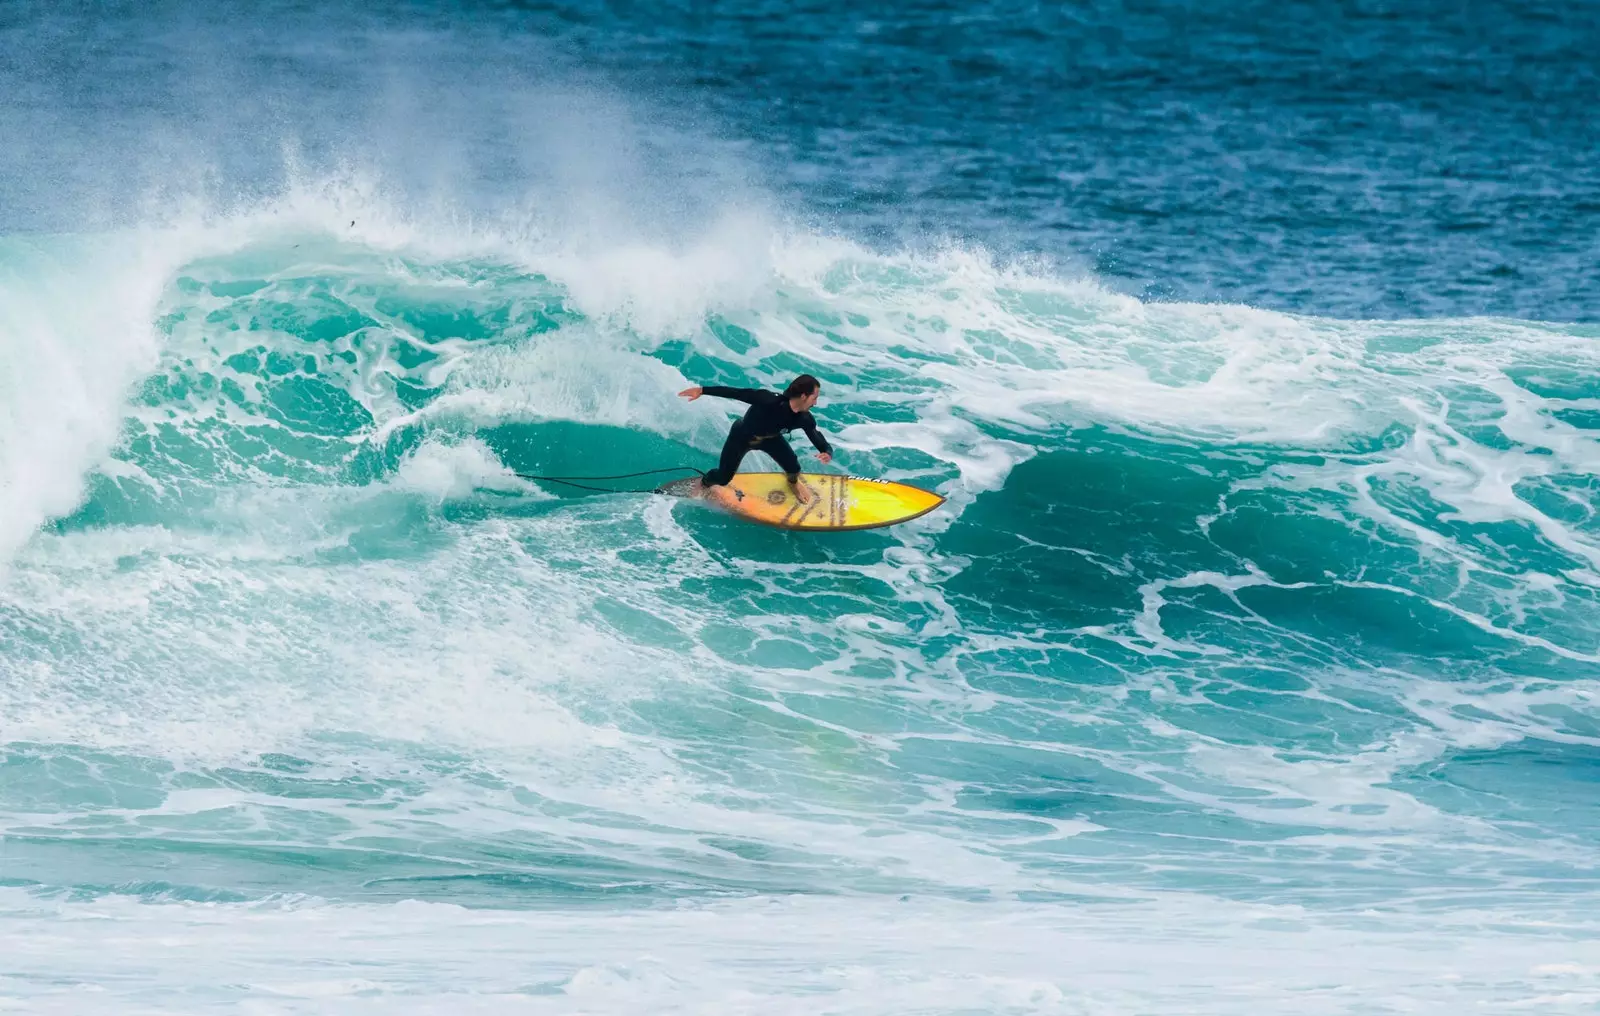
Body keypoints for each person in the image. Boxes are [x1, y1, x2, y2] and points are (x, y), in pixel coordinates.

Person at [679, 374, 833, 504]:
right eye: (814, 398)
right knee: (723, 478)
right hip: (742, 436)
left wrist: (826, 451)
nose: (815, 403)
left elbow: (816, 435)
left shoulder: (804, 418)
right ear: (804, 396)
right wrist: (702, 390)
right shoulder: (769, 400)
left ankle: (793, 483)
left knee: (793, 467)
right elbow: (737, 393)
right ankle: (704, 483)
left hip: (771, 439)